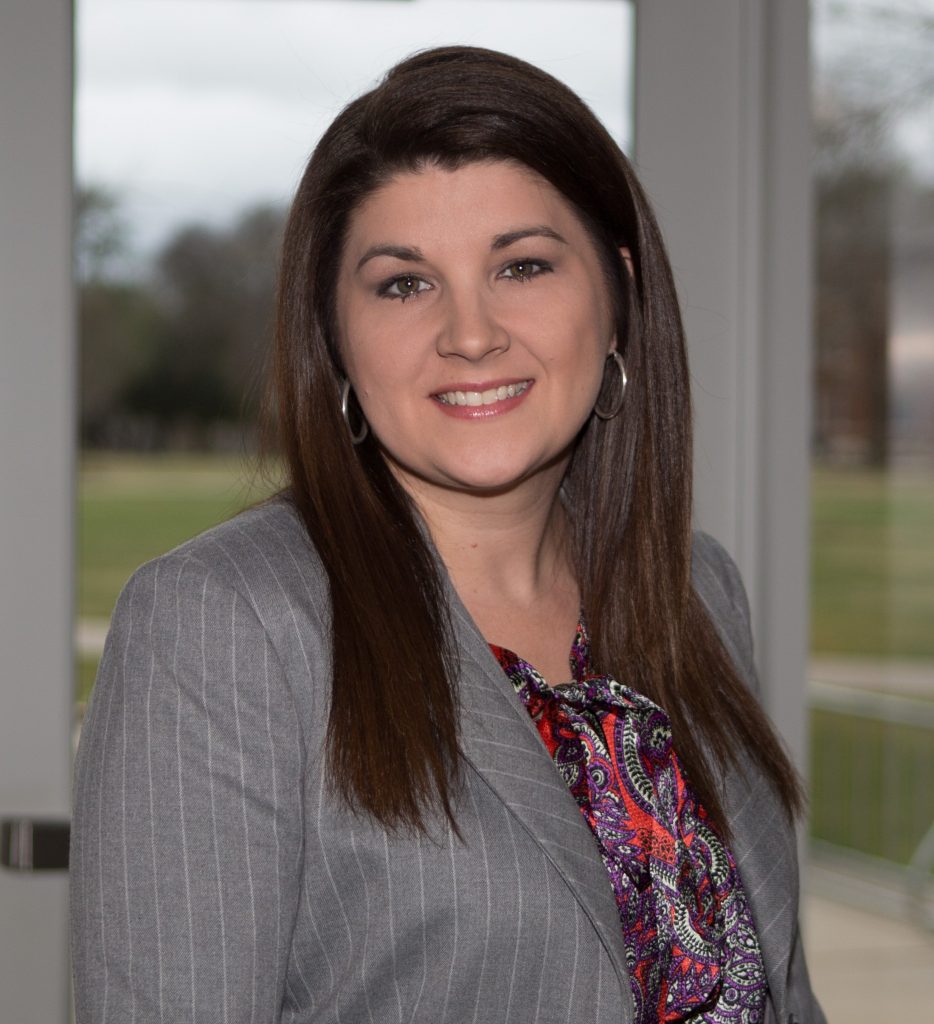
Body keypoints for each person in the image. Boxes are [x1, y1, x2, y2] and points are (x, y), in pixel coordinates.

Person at [70, 45, 824, 1024]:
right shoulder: (224, 624)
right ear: (333, 331)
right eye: (403, 284)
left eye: (522, 265)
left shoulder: (694, 588)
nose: (471, 334)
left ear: (617, 291)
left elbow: (779, 987)